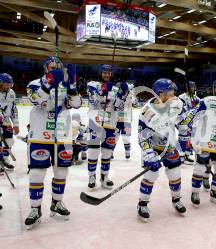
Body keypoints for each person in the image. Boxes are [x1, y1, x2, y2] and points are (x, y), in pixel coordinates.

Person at [24, 56, 81, 230]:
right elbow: (36, 100)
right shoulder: (34, 83)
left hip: (62, 135)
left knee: (61, 172)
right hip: (40, 135)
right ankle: (35, 209)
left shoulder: (64, 86)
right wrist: (48, 84)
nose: (54, 68)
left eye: (57, 66)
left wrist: (71, 87)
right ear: (45, 68)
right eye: (51, 66)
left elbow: (77, 104)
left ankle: (57, 203)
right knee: (36, 174)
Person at [137, 78, 186, 221]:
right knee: (151, 175)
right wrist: (149, 154)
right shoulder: (147, 112)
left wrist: (190, 117)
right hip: (152, 147)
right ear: (161, 94)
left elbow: (181, 121)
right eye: (171, 93)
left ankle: (176, 200)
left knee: (175, 173)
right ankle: (142, 204)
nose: (174, 96)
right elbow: (142, 136)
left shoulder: (175, 104)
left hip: (168, 146)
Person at [86, 65, 129, 189]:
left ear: (111, 74)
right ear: (100, 73)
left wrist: (121, 96)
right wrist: (103, 92)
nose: (106, 75)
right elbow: (93, 101)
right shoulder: (92, 84)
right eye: (104, 72)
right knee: (93, 152)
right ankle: (92, 176)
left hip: (110, 124)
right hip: (95, 123)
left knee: (107, 153)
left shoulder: (115, 88)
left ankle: (104, 176)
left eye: (108, 73)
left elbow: (117, 107)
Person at [177, 80, 200, 164]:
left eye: (194, 87)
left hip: (192, 122)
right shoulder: (181, 97)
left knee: (190, 139)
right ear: (187, 88)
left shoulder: (196, 97)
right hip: (183, 121)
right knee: (183, 138)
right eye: (191, 87)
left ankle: (187, 155)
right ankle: (181, 156)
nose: (193, 88)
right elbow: (179, 109)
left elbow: (200, 107)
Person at [0, 73, 19, 171]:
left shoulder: (11, 93)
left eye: (9, 84)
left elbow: (13, 109)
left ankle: (5, 159)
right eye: (6, 84)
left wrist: (16, 124)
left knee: (9, 141)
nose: (8, 86)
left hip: (6, 120)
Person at [113, 82, 135, 159]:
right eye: (123, 90)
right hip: (117, 120)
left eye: (126, 90)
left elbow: (134, 102)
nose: (125, 92)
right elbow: (114, 106)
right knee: (115, 137)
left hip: (127, 121)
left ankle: (127, 152)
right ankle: (111, 152)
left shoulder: (131, 95)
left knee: (126, 138)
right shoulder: (116, 95)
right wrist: (119, 98)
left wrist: (126, 97)